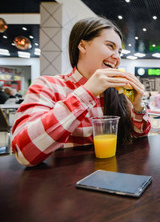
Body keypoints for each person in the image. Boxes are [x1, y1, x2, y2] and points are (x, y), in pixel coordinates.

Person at [11, 17, 151, 166]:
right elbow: (24, 153)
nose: (117, 57)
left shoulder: (116, 92)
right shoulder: (48, 86)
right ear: (83, 46)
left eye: (119, 51)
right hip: (62, 182)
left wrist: (138, 106)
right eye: (110, 46)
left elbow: (139, 135)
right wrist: (87, 92)